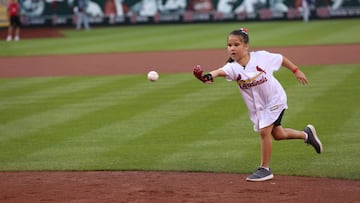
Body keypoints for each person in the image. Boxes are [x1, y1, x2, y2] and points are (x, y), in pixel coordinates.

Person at [193, 28, 323, 182]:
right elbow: (219, 72)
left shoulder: (261, 57)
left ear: (246, 46)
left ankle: (265, 169)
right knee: (278, 135)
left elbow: (281, 59)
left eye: (236, 44)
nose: (232, 48)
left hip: (276, 99)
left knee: (264, 131)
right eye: (229, 45)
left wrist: (296, 70)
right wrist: (208, 76)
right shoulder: (232, 67)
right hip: (260, 107)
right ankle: (307, 135)